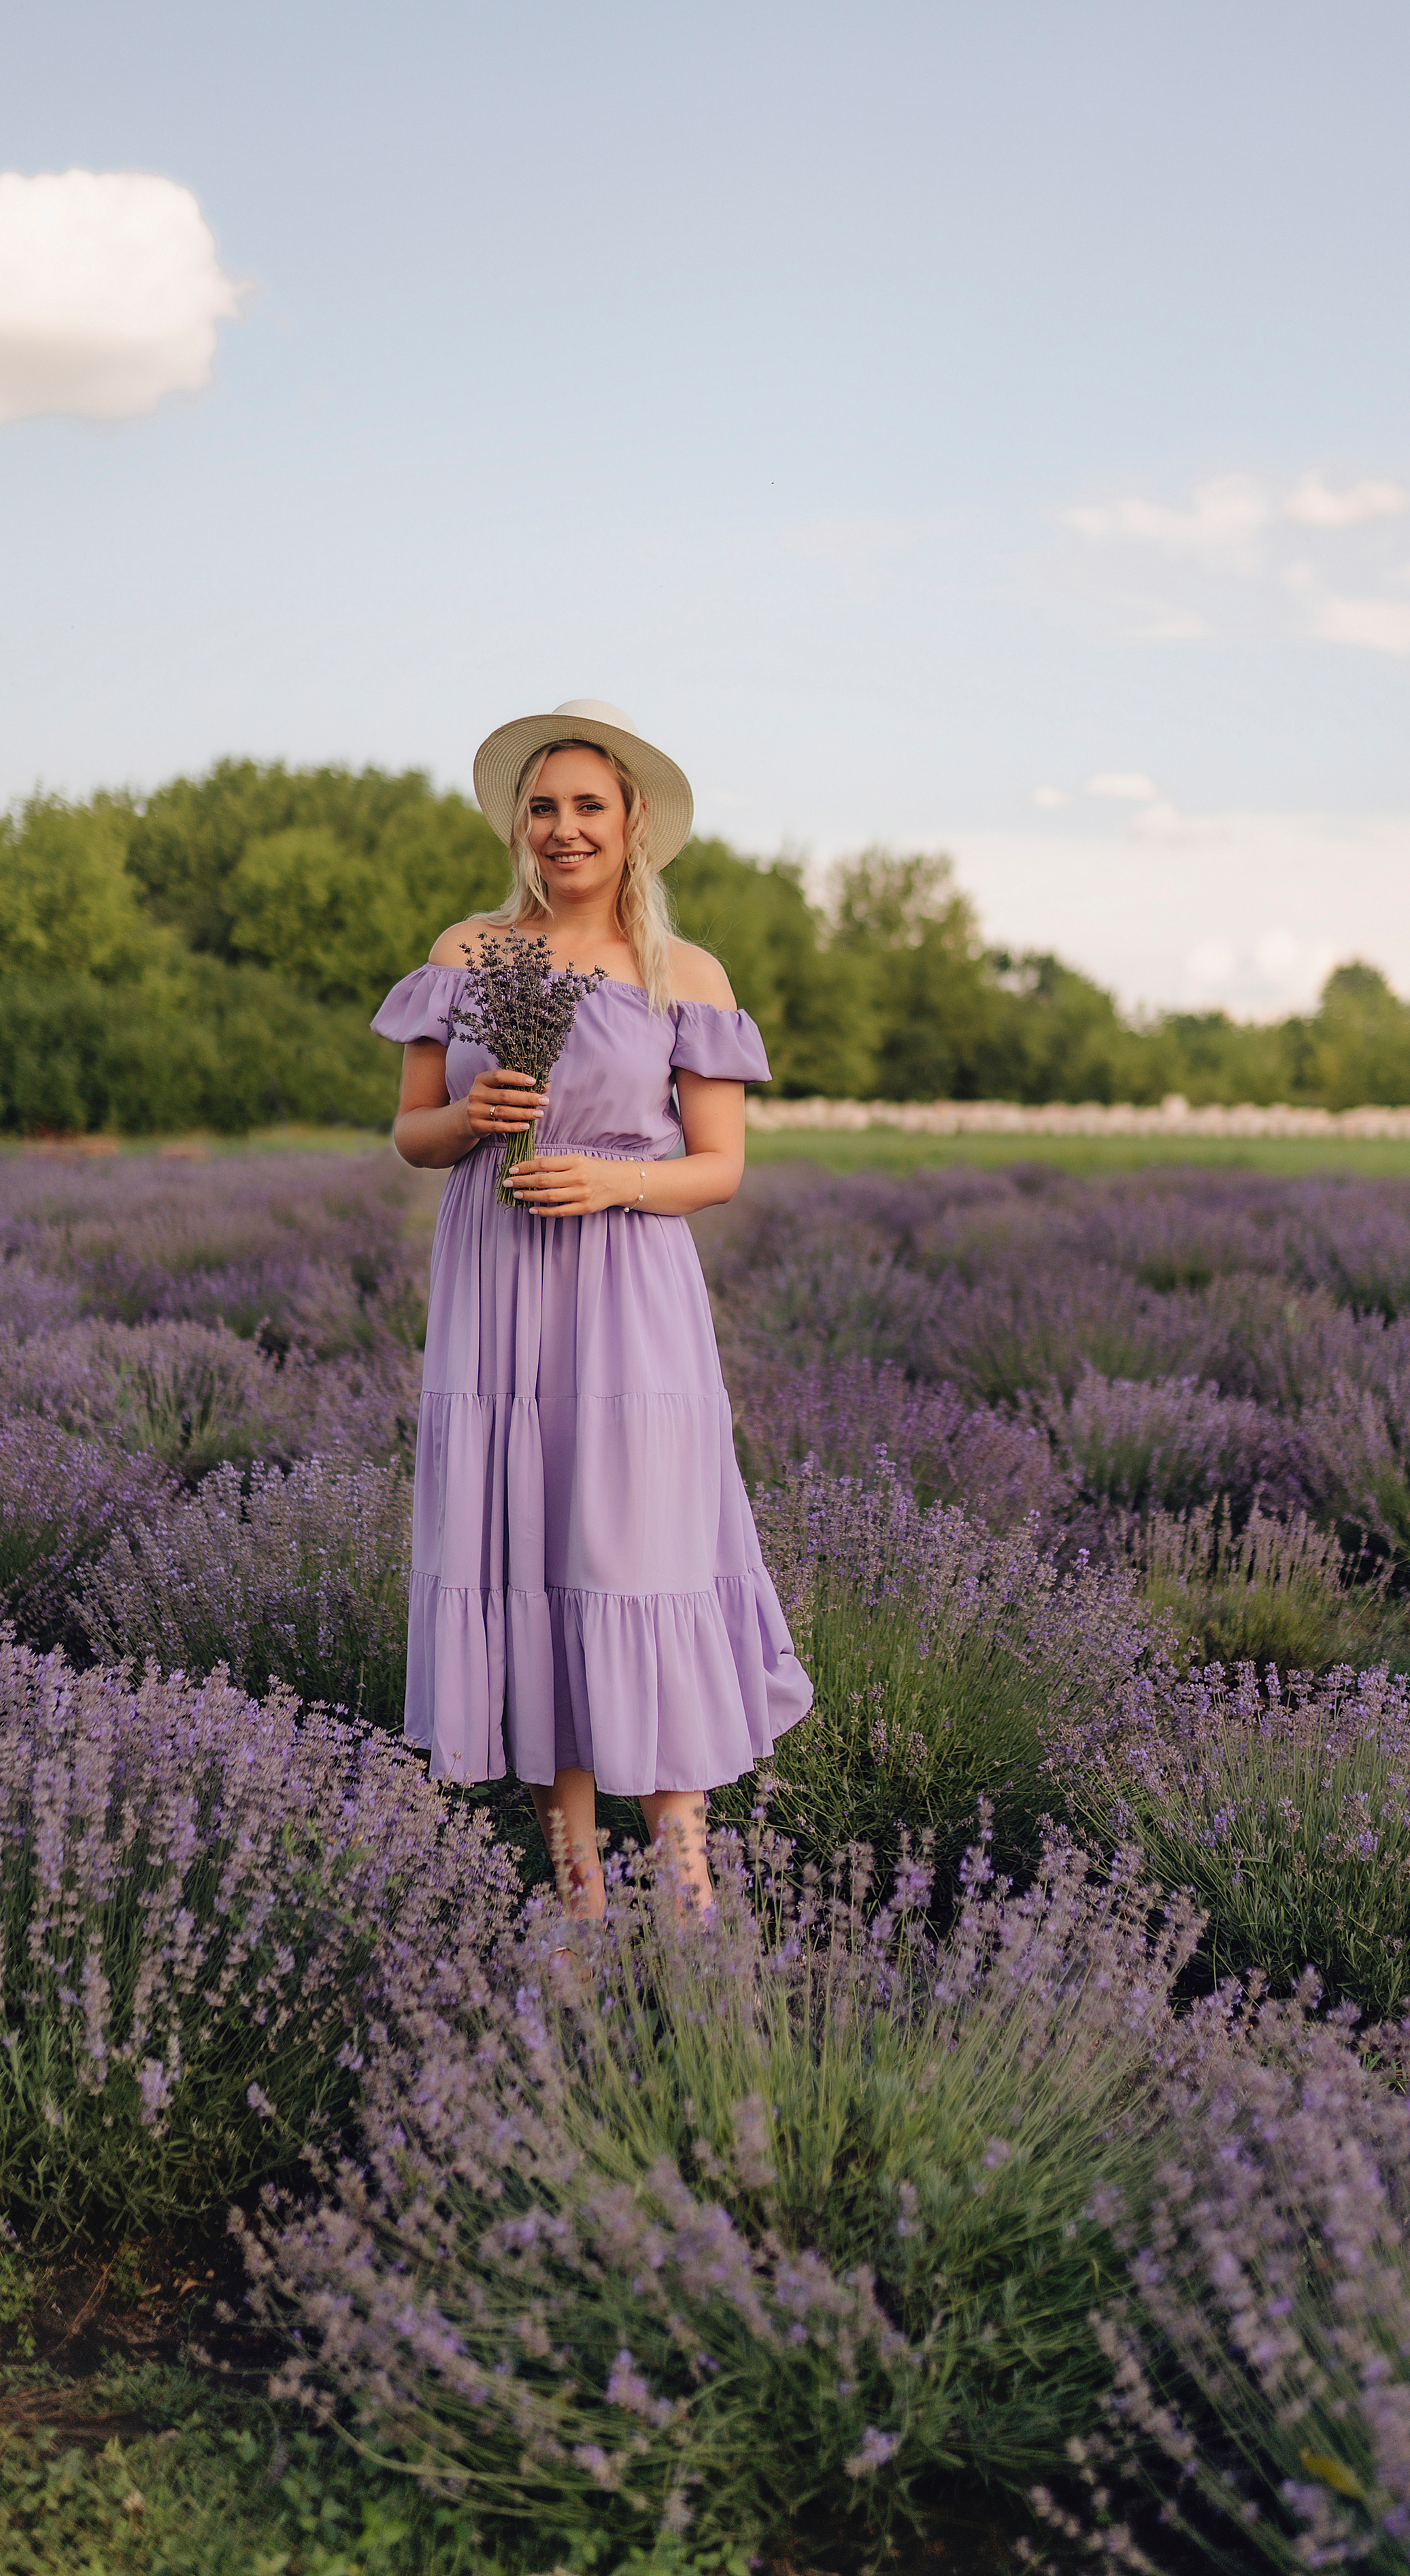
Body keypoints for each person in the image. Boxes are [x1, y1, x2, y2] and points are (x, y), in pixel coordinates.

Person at [372, 698, 812, 1914]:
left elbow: (718, 1165)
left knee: (640, 1556)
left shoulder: (685, 973)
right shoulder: (468, 951)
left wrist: (613, 1177)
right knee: (529, 1557)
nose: (564, 829)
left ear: (634, 828)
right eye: (544, 806)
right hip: (498, 1290)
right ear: (521, 823)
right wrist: (476, 1120)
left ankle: (689, 1900)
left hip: (630, 1295)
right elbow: (412, 1133)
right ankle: (577, 1905)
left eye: (589, 808)